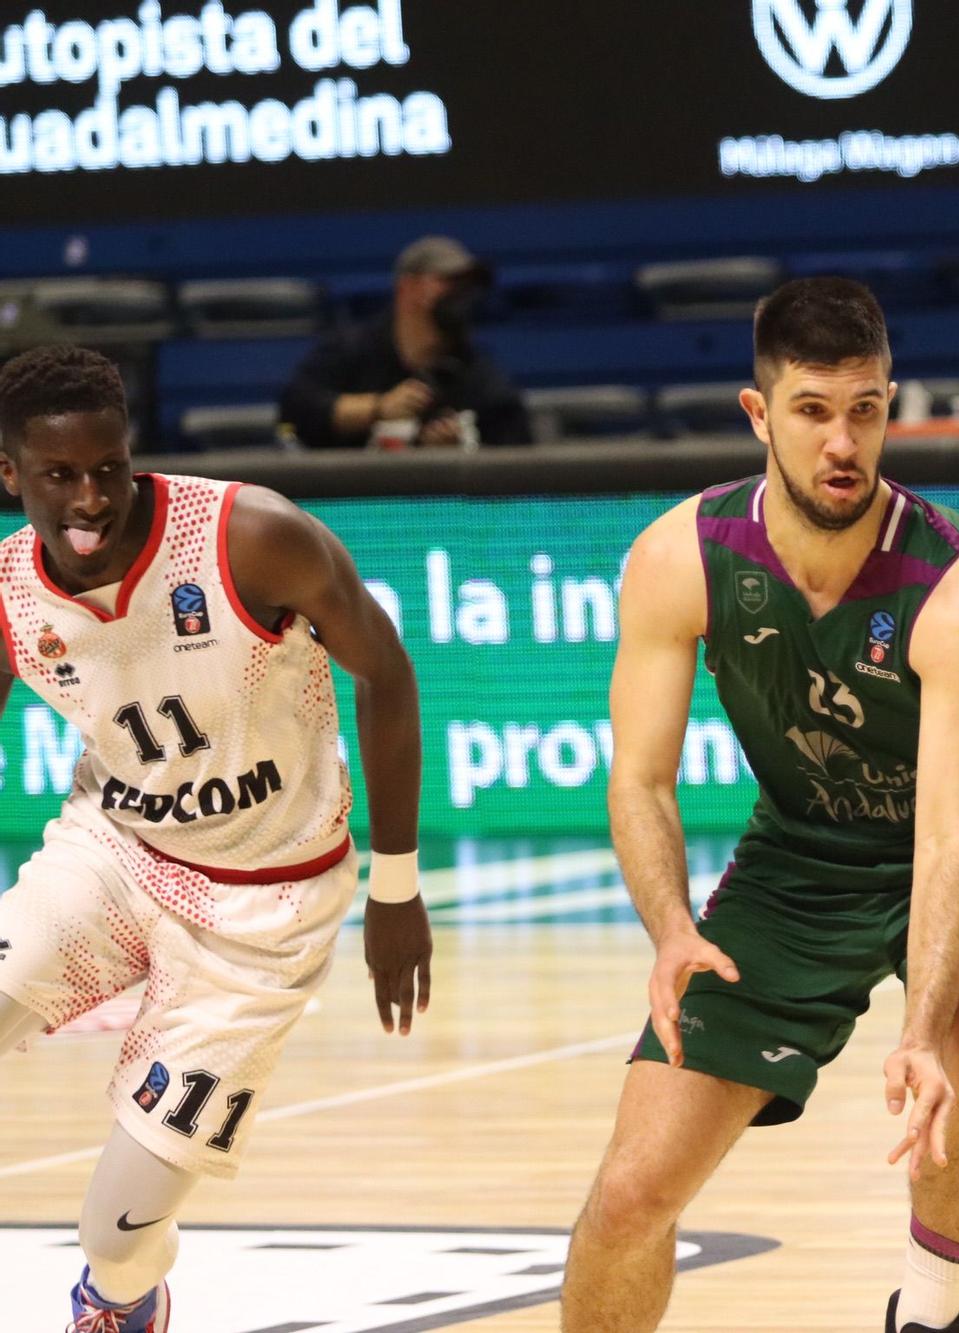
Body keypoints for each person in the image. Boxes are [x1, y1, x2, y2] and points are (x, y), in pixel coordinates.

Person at [559, 278, 959, 1333]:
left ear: (891, 405)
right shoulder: (679, 556)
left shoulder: (953, 580)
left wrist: (920, 1033)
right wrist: (668, 930)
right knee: (627, 1197)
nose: (842, 442)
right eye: (811, 410)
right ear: (761, 415)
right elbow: (639, 780)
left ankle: (929, 1314)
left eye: (865, 410)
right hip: (800, 854)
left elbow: (949, 834)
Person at [0, 345, 433, 1331]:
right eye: (58, 475)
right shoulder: (8, 592)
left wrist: (397, 888)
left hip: (265, 914)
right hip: (113, 857)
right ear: (10, 475)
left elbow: (388, 675)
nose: (90, 498)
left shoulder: (252, 538)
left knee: (112, 1231)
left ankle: (124, 1295)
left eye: (107, 468)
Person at [278, 235, 530, 450]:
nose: (463, 295)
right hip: (350, 502)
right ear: (407, 288)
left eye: (468, 286)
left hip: (443, 504)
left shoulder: (478, 371)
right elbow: (292, 418)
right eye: (450, 282)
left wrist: (459, 454)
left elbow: (517, 453)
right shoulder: (350, 350)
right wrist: (378, 408)